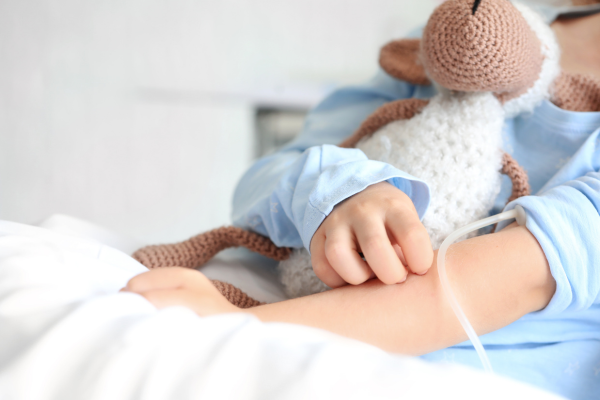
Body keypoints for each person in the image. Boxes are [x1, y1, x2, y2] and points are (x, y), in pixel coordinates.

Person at [123, 3, 600, 398]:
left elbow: (491, 284)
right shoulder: (463, 34)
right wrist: (336, 190)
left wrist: (243, 325)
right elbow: (269, 176)